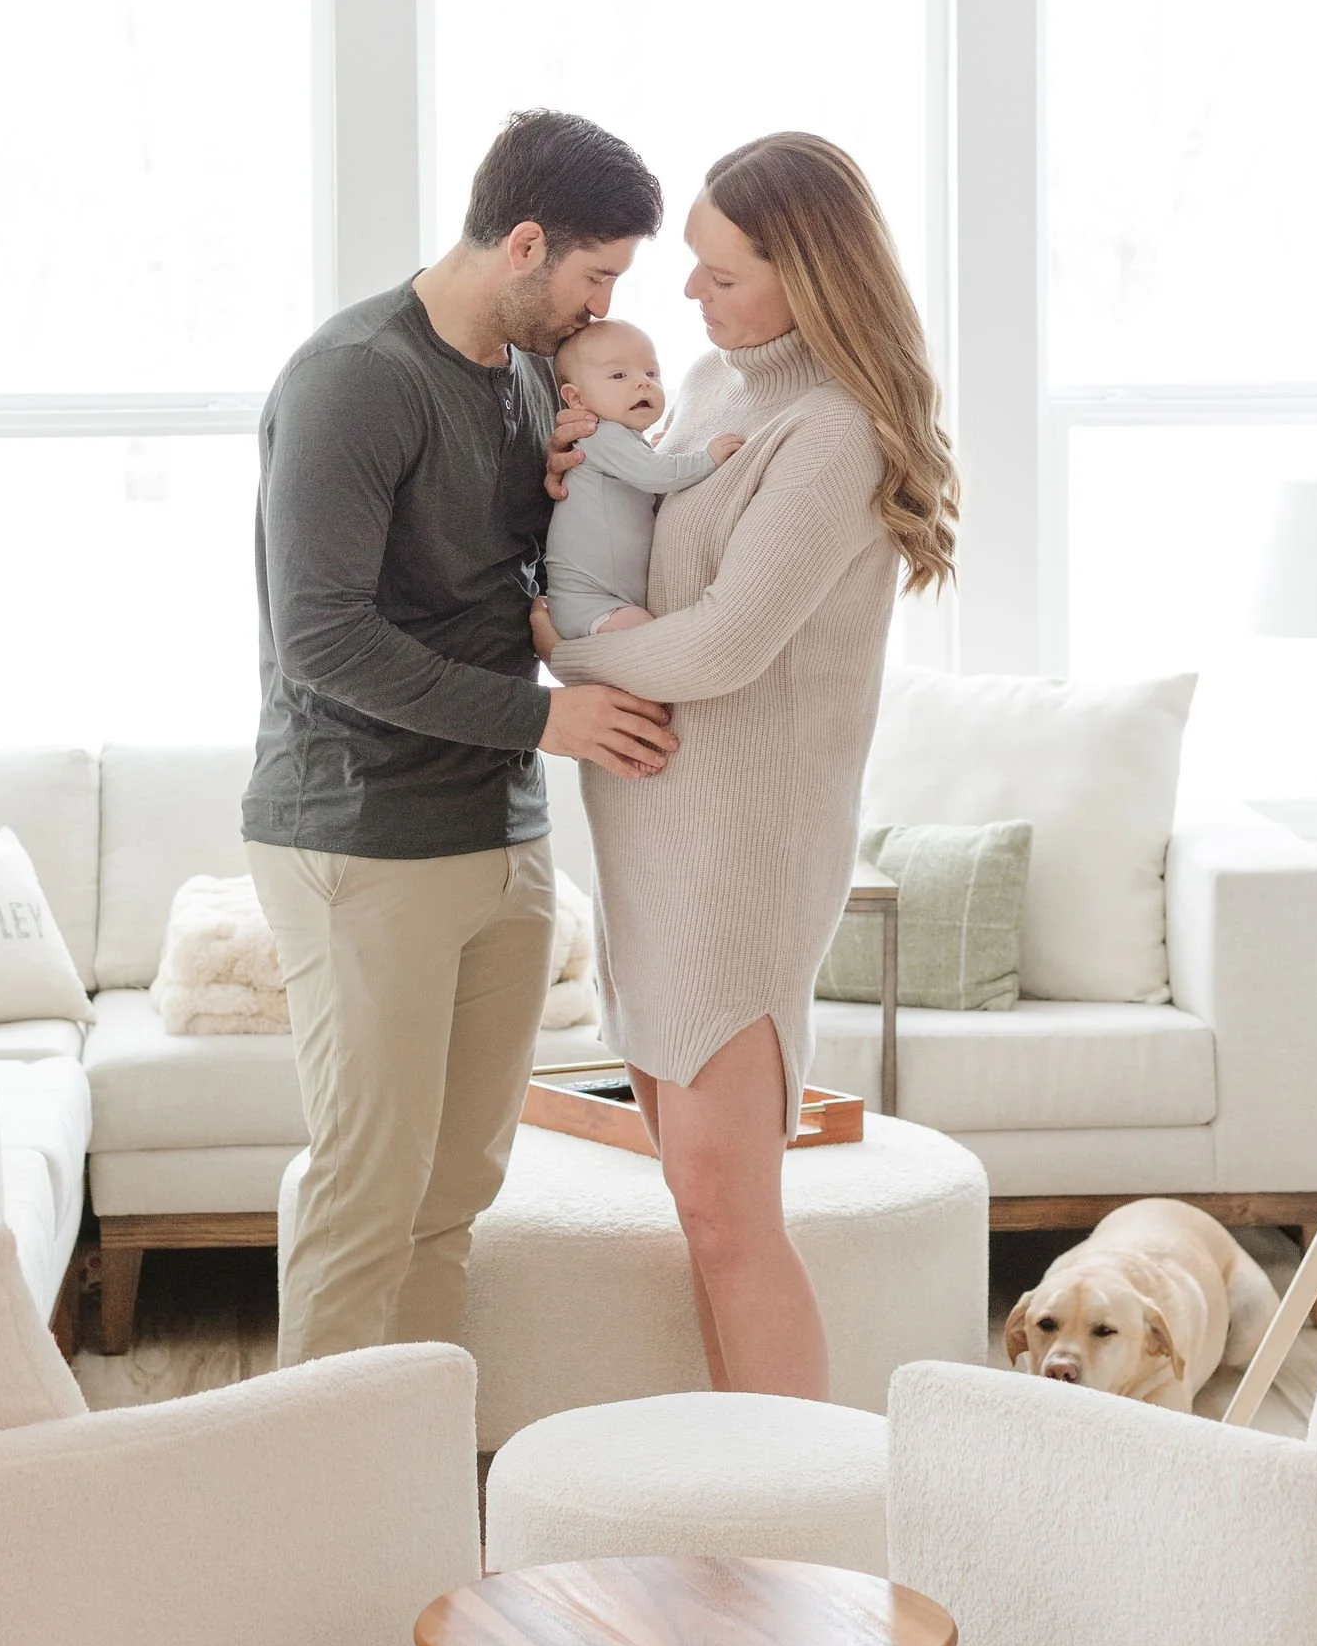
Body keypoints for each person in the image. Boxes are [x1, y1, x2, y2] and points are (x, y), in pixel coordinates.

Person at [246, 109, 680, 1365]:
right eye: (596, 276)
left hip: (499, 834)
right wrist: (548, 718)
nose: (603, 307)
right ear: (526, 243)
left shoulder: (537, 380)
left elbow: (507, 577)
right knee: (368, 1195)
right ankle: (319, 1512)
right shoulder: (355, 380)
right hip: (364, 835)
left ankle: (415, 1485)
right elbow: (319, 637)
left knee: (453, 1201)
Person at [536, 133, 957, 1399]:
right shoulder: (714, 385)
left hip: (738, 862)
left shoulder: (832, 437)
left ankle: (797, 1531)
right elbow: (636, 562)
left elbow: (720, 649)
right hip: (652, 846)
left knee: (731, 1219)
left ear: (808, 276)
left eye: (720, 273)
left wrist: (561, 651)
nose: (688, 297)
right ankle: (738, 1500)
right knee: (696, 1208)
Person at [541, 316, 743, 637]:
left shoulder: (622, 441)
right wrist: (707, 458)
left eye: (651, 373)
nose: (642, 383)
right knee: (655, 641)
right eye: (619, 375)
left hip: (611, 597)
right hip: (590, 601)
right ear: (577, 399)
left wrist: (656, 453)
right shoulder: (599, 435)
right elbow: (655, 475)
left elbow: (645, 469)